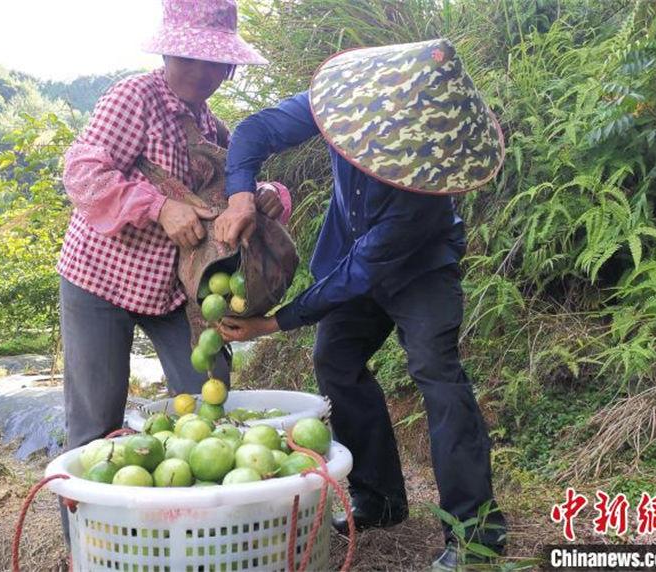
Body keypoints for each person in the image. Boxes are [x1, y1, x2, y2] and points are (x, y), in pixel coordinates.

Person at [216, 39, 508, 569]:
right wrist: (240, 194)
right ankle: (380, 498)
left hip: (420, 269)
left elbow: (361, 273)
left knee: (436, 372)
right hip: (353, 250)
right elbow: (254, 132)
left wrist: (273, 322)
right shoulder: (346, 105)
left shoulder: (424, 186)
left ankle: (475, 535)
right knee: (336, 361)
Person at [56, 0, 287, 543]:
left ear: (230, 67)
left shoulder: (213, 127)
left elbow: (237, 189)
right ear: (166, 51)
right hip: (101, 279)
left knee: (208, 393)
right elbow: (82, 171)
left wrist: (268, 198)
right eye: (190, 58)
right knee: (95, 420)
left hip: (173, 292)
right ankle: (90, 546)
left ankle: (197, 533)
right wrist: (157, 206)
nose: (203, 74)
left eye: (216, 64)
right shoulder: (133, 99)